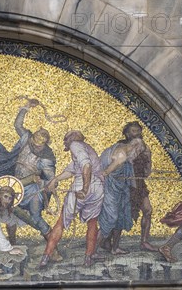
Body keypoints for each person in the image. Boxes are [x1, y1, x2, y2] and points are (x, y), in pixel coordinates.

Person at [39, 130, 105, 267]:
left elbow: (86, 166)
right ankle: (88, 258)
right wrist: (55, 180)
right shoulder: (86, 149)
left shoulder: (76, 145)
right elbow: (71, 171)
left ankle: (46, 256)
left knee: (61, 223)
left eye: (66, 139)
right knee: (92, 223)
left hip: (84, 185)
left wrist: (85, 189)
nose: (64, 142)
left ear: (71, 139)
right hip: (98, 188)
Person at [8, 100, 56, 243]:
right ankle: (11, 246)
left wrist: (45, 184)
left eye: (39, 144)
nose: (35, 145)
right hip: (16, 184)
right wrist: (26, 107)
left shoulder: (46, 157)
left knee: (35, 216)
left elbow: (51, 179)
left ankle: (52, 246)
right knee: (10, 216)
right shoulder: (26, 140)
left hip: (32, 190)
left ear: (45, 144)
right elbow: (17, 125)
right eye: (34, 141)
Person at [97, 137, 146, 255]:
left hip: (121, 190)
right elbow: (105, 173)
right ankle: (91, 252)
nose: (137, 155)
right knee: (110, 219)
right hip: (111, 191)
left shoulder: (122, 150)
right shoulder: (121, 155)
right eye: (138, 152)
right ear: (135, 147)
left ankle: (115, 247)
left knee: (120, 217)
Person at [121, 122, 156, 252]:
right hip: (125, 185)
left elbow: (147, 172)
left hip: (139, 185)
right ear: (127, 133)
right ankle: (107, 242)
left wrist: (147, 157)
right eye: (134, 131)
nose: (137, 134)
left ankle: (144, 241)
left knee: (148, 210)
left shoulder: (144, 148)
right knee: (118, 214)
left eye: (138, 131)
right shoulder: (121, 147)